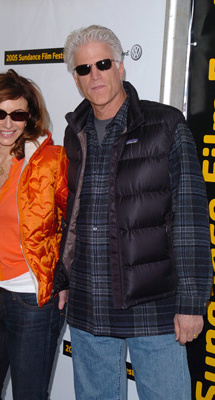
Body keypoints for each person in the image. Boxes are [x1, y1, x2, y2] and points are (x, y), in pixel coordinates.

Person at [52, 25, 213, 399]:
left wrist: (191, 303)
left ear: (120, 67)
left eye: (103, 64)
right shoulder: (74, 132)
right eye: (83, 69)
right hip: (87, 302)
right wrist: (64, 277)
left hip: (152, 306)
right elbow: (71, 212)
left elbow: (190, 220)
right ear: (75, 79)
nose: (94, 76)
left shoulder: (166, 125)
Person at [0, 69, 68, 400]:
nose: (8, 123)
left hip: (31, 301)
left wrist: (62, 278)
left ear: (29, 116)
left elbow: (73, 221)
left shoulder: (50, 161)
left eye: (18, 113)